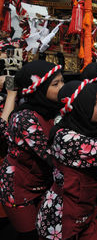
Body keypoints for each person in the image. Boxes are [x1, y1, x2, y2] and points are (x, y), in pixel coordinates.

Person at [35, 80, 97, 239]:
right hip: (61, 218)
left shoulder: (91, 131)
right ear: (80, 107)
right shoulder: (65, 138)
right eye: (94, 103)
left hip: (87, 212)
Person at [0, 60, 64, 239]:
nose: (62, 87)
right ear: (38, 89)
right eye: (55, 84)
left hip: (43, 184)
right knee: (31, 235)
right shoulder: (25, 118)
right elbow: (52, 155)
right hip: (18, 190)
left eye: (62, 81)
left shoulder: (54, 110)